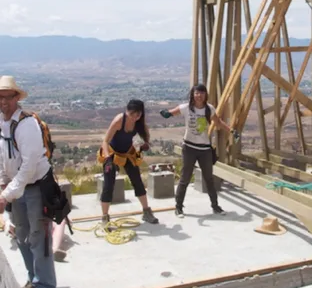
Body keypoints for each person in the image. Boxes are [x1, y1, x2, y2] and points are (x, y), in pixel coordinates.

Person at [0, 76, 56, 288]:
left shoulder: (27, 124)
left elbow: (29, 165)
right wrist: (4, 183)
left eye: (7, 97)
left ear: (16, 98)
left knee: (38, 237)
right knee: (21, 235)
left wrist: (6, 194)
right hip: (18, 188)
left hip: (35, 188)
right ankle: (34, 278)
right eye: (0, 97)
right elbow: (4, 158)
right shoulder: (2, 123)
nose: (3, 102)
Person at [160, 83, 234, 218]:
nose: (199, 95)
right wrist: (166, 114)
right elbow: (172, 112)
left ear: (205, 95)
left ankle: (215, 206)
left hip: (205, 148)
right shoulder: (186, 108)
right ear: (193, 95)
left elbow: (218, 122)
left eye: (202, 93)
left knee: (209, 179)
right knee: (185, 178)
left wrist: (232, 131)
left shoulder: (209, 109)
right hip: (189, 148)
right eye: (196, 93)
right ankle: (178, 207)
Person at [99, 99, 159, 225]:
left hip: (127, 153)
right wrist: (108, 160)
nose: (134, 118)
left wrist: (143, 146)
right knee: (108, 185)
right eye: (132, 114)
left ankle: (146, 212)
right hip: (112, 153)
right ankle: (105, 217)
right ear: (127, 111)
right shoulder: (119, 120)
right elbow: (105, 141)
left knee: (137, 181)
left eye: (138, 115)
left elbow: (146, 139)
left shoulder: (140, 123)